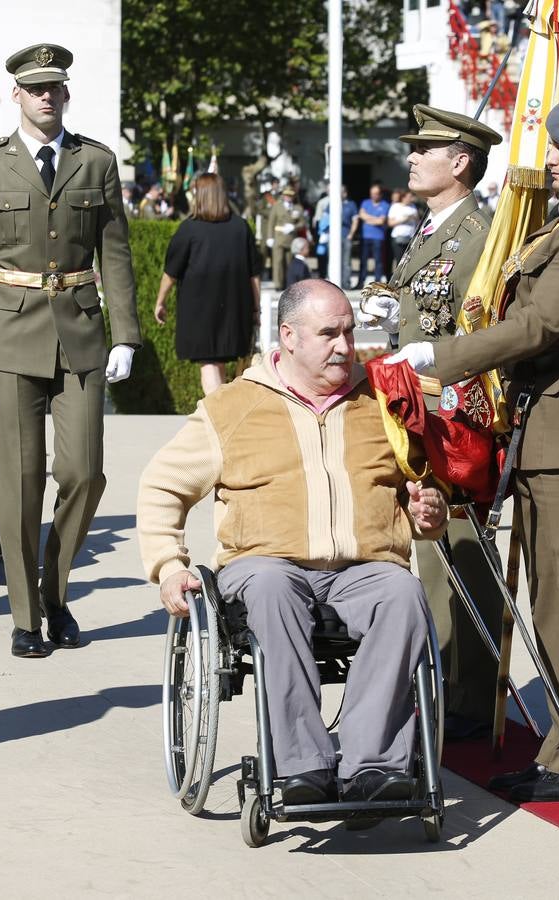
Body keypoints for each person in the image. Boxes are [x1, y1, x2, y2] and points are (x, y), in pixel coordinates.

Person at [388, 95, 559, 802]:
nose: (548, 159)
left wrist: (440, 356)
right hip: (544, 418)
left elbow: (539, 323)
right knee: (556, 600)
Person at [137, 278, 449, 808]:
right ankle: (303, 764)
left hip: (363, 569)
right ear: (289, 335)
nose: (345, 347)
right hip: (264, 565)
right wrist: (169, 565)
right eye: (329, 333)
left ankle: (369, 764)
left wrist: (431, 510)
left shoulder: (381, 402)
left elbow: (424, 492)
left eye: (350, 332)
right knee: (271, 586)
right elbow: (162, 486)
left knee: (403, 594)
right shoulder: (233, 407)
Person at [0, 43, 141, 658]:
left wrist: (127, 335)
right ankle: (25, 613)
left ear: (66, 93)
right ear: (17, 95)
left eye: (56, 88)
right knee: (19, 481)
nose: (46, 97)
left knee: (84, 473)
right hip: (10, 336)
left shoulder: (96, 161)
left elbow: (115, 253)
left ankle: (54, 590)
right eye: (36, 88)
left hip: (81, 333)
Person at [355, 104, 504, 744]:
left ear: (460, 162)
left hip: (455, 414)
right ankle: (447, 680)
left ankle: (470, 696)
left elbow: (483, 329)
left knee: (461, 553)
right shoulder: (435, 228)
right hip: (420, 406)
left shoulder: (478, 233)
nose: (411, 158)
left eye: (425, 150)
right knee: (433, 553)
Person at [152, 171, 262, 395]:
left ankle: (216, 415)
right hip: (233, 307)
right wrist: (256, 308)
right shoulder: (241, 227)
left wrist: (160, 301)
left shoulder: (189, 229)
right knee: (218, 361)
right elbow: (254, 274)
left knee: (209, 362)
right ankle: (221, 412)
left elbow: (171, 272)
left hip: (199, 309)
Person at [267, 184, 308, 286]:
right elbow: (271, 222)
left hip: (291, 239)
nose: (288, 197)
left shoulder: (297, 208)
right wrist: (269, 237)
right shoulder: (277, 206)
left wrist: (294, 227)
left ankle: (288, 283)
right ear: (283, 195)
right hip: (279, 237)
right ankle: (278, 284)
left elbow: (303, 222)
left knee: (289, 262)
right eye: (286, 195)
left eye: (290, 195)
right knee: (278, 262)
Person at [353, 183, 390, 286]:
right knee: (363, 260)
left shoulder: (385, 205)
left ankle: (377, 283)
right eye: (372, 193)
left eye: (376, 193)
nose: (374, 195)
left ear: (380, 194)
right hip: (365, 236)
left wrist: (368, 218)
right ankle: (360, 282)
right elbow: (361, 215)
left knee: (378, 261)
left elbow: (381, 221)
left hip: (378, 237)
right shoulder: (365, 202)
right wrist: (375, 219)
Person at [387, 188, 420, 264]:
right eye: (409, 197)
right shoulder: (395, 206)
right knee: (400, 261)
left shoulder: (413, 206)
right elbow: (390, 223)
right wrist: (404, 219)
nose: (411, 199)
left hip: (411, 238)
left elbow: (418, 222)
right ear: (403, 197)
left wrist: (415, 218)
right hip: (398, 238)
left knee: (409, 262)